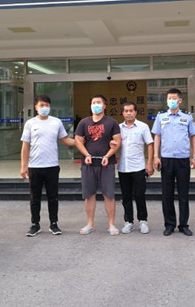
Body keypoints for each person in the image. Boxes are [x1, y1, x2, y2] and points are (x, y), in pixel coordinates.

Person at [20, 95, 75, 237]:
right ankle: (35, 224)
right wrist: (23, 166)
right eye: (41, 105)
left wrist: (81, 142)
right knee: (35, 198)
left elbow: (65, 140)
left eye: (47, 105)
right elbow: (25, 146)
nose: (44, 108)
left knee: (53, 197)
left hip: (52, 166)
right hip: (35, 166)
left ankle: (54, 224)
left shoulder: (56, 122)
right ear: (36, 107)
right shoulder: (30, 123)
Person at [152, 88, 195, 236]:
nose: (171, 101)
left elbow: (194, 136)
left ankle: (183, 225)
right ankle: (169, 224)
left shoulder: (187, 117)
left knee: (183, 194)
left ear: (180, 100)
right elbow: (157, 137)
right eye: (169, 98)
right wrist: (156, 156)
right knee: (167, 194)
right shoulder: (161, 116)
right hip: (166, 159)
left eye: (174, 98)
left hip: (183, 159)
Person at [75, 95, 122, 235]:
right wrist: (86, 155)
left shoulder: (112, 122)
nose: (96, 105)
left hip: (106, 163)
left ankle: (111, 224)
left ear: (104, 106)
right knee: (89, 195)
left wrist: (107, 155)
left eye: (98, 102)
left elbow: (117, 142)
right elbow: (78, 140)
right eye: (93, 102)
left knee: (109, 194)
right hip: (88, 164)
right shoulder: (84, 123)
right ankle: (90, 224)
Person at [118, 102, 154, 234]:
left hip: (138, 167)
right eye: (126, 111)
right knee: (126, 196)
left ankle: (143, 220)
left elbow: (150, 144)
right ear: (123, 113)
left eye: (131, 110)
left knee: (139, 195)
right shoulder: (118, 128)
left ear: (135, 112)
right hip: (123, 168)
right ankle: (129, 221)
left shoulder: (143, 127)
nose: (128, 113)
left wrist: (149, 164)